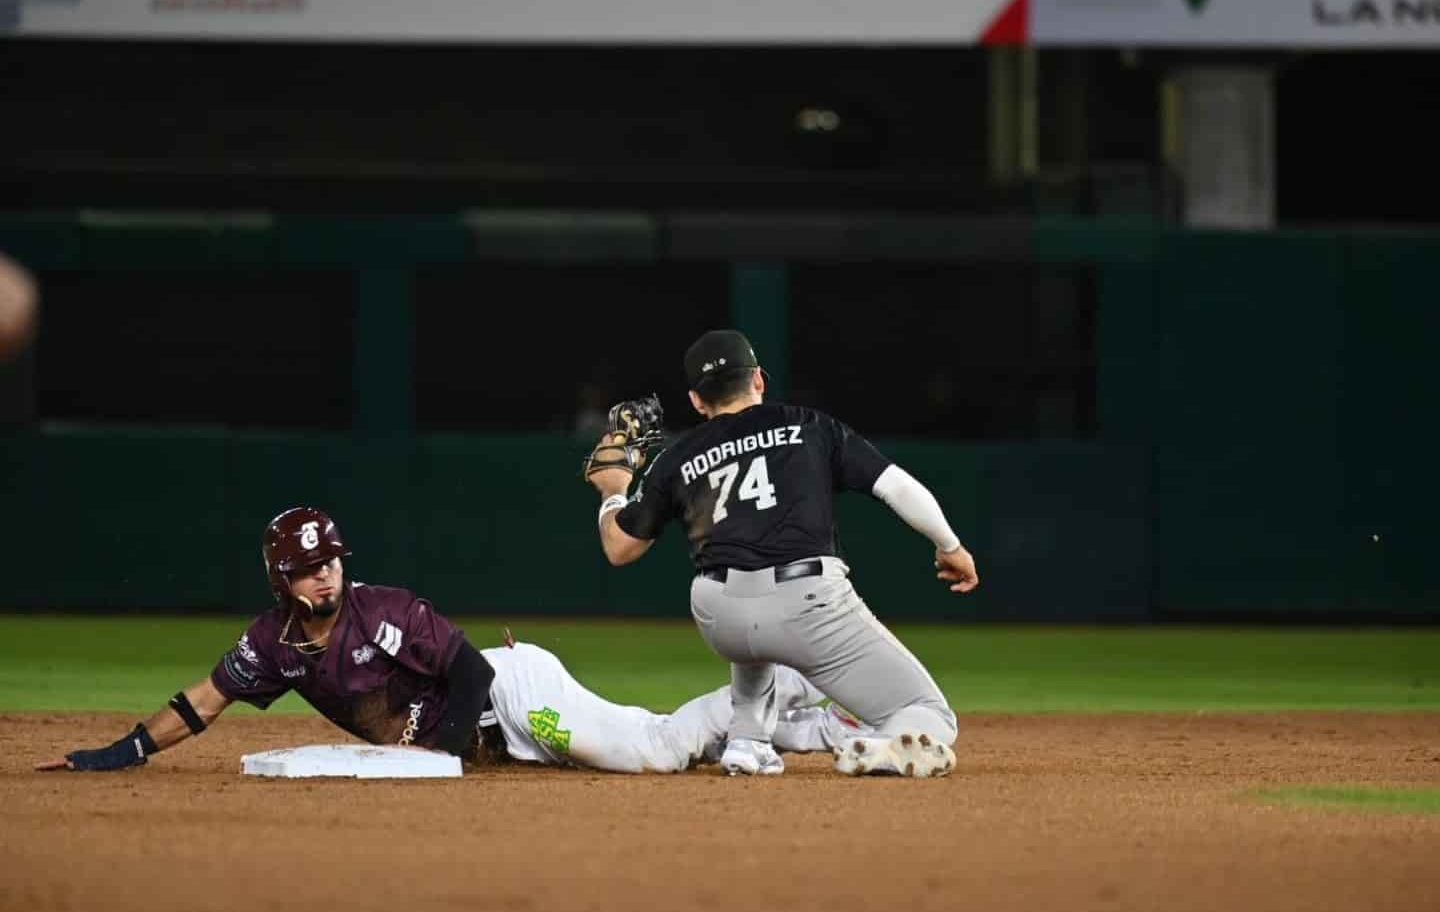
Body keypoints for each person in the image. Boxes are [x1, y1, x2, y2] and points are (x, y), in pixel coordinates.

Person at [36, 506, 852, 775]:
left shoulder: (381, 609)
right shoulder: (273, 646)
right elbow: (203, 702)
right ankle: (803, 723)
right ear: (282, 579)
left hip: (512, 695)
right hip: (490, 732)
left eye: (332, 564)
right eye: (309, 570)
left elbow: (466, 673)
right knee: (656, 747)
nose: (326, 578)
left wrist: (440, 759)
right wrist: (129, 750)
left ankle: (773, 688)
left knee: (657, 752)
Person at [584, 329, 979, 779]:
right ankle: (871, 745)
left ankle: (748, 741)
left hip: (719, 615)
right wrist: (952, 547)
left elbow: (619, 548)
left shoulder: (678, 457)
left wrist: (613, 493)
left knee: (757, 627)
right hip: (805, 606)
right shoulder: (809, 426)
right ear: (757, 380)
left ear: (696, 401)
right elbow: (898, 487)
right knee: (930, 714)